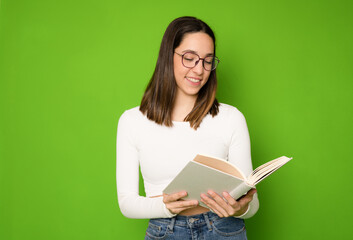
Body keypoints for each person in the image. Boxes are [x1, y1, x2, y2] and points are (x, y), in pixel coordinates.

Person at [116, 16, 259, 240]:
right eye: (189, 58)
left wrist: (240, 209)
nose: (199, 70)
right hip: (165, 231)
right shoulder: (133, 121)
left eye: (207, 61)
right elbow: (126, 203)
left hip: (223, 229)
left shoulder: (231, 118)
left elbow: (252, 202)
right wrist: (166, 208)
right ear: (168, 56)